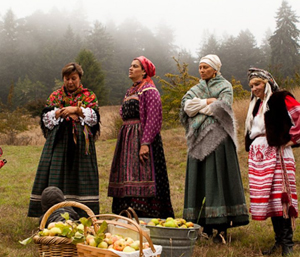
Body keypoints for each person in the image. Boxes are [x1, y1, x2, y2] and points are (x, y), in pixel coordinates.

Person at [180, 54, 249, 243]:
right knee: (200, 179)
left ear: (215, 69)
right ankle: (204, 226)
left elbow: (222, 108)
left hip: (219, 140)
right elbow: (187, 107)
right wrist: (208, 101)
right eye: (200, 67)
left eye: (205, 67)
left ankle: (221, 226)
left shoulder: (225, 86)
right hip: (197, 140)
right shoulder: (195, 88)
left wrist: (202, 105)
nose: (201, 70)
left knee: (217, 179)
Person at [28, 62, 100, 218]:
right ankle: (54, 213)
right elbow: (46, 118)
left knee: (80, 176)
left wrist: (77, 110)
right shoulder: (55, 96)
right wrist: (60, 113)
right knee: (56, 173)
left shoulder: (89, 95)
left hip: (81, 145)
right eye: (67, 79)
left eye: (73, 78)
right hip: (58, 143)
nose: (70, 82)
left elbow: (94, 119)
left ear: (79, 78)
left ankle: (82, 213)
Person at [108, 56, 174, 218]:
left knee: (143, 173)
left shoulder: (150, 91)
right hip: (127, 139)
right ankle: (126, 213)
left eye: (135, 66)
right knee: (126, 174)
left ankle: (146, 214)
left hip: (142, 139)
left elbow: (153, 118)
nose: (130, 68)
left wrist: (145, 143)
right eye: (130, 66)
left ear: (144, 71)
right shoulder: (130, 91)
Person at [245, 67, 299, 256]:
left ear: (267, 83)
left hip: (277, 154)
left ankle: (288, 243)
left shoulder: (281, 98)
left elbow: (299, 116)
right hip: (259, 156)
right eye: (251, 85)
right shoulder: (256, 104)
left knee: (280, 197)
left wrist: (292, 140)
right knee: (270, 200)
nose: (254, 89)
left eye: (257, 84)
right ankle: (279, 240)